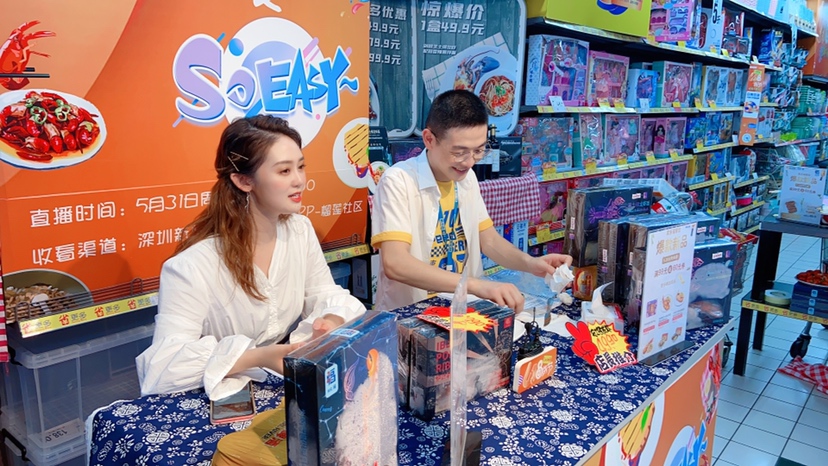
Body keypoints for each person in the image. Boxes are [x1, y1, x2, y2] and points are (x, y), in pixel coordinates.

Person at [137, 115, 366, 400]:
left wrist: (330, 320)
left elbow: (325, 293)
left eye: (301, 167)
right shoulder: (190, 266)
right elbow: (162, 368)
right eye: (284, 171)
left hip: (283, 381)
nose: (299, 181)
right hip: (220, 395)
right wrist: (258, 357)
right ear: (244, 180)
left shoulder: (299, 230)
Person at [371, 90, 572, 313]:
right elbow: (396, 263)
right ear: (429, 139)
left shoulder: (466, 179)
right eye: (459, 152)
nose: (469, 162)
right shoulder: (398, 181)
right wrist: (475, 285)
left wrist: (531, 263)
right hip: (410, 314)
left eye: (479, 150)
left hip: (459, 312)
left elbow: (489, 240)